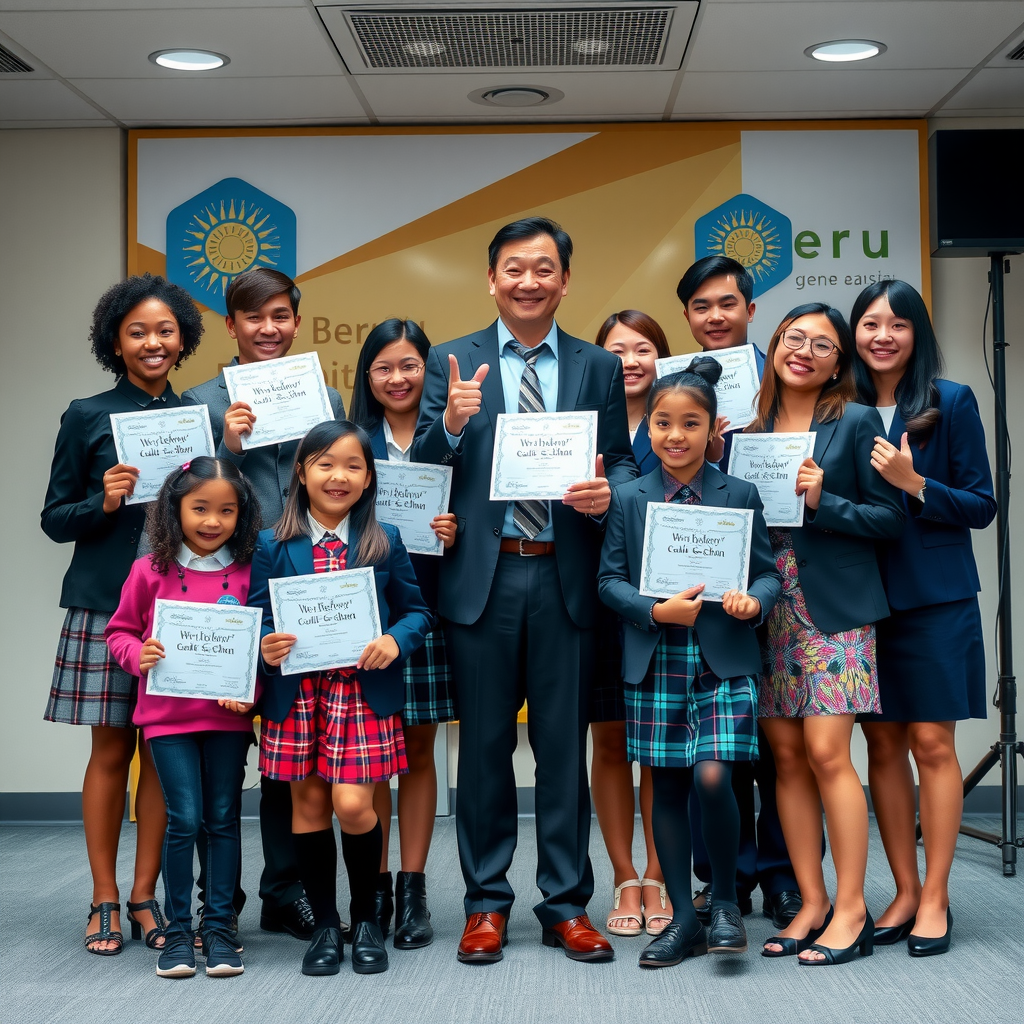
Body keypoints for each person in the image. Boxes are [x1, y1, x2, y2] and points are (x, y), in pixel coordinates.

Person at [413, 217, 637, 964]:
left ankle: (566, 904)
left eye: (544, 268)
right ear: (491, 280)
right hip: (485, 576)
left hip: (565, 573)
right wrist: (449, 424)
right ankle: (485, 903)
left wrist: (612, 495)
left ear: (565, 281)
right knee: (482, 748)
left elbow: (622, 460)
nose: (529, 281)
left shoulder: (597, 366)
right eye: (514, 268)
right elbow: (422, 466)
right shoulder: (452, 360)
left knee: (561, 748)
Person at [182, 267, 346, 945]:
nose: (268, 328)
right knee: (218, 748)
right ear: (231, 325)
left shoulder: (325, 396)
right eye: (254, 317)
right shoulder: (201, 400)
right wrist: (225, 446)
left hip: (301, 589)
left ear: (296, 322)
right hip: (222, 592)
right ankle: (216, 901)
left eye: (280, 315)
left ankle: (287, 891)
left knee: (289, 744)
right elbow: (182, 497)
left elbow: (339, 483)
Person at [598, 360, 781, 968]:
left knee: (712, 777)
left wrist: (755, 601)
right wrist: (655, 611)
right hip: (657, 657)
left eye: (691, 423)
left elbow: (767, 572)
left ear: (712, 429)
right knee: (669, 787)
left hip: (723, 658)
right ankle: (682, 919)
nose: (675, 435)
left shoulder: (740, 493)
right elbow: (609, 582)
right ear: (648, 428)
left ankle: (723, 901)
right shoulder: (629, 498)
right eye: (663, 423)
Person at [41, 273, 203, 955]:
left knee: (163, 755)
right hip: (109, 605)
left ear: (183, 339)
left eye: (165, 330)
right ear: (115, 341)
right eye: (137, 331)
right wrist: (102, 503)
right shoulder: (87, 414)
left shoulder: (199, 415)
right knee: (110, 752)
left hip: (183, 610)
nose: (153, 342)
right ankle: (103, 896)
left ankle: (144, 896)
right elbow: (54, 519)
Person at [249, 421, 431, 976]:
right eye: (325, 464)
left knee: (352, 806)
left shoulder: (385, 540)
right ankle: (327, 926)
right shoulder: (272, 543)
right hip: (298, 694)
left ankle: (367, 918)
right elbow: (256, 616)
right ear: (301, 472)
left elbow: (417, 612)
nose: (339, 476)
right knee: (307, 807)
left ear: (369, 477)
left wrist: (394, 640)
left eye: (353, 465)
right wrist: (266, 644)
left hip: (359, 694)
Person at [752, 303, 904, 965]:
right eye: (795, 338)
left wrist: (823, 500)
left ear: (839, 361)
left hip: (834, 608)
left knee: (827, 752)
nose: (804, 351)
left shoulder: (857, 420)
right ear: (776, 344)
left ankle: (852, 909)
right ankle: (811, 902)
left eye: (822, 344)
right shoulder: (749, 428)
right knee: (786, 757)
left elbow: (889, 518)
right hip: (765, 605)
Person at [850, 280, 996, 957]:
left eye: (898, 324)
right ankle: (904, 891)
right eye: (870, 323)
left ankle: (936, 895)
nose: (883, 336)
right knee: (881, 746)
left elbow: (981, 505)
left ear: (918, 334)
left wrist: (916, 486)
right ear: (854, 333)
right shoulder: (839, 405)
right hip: (861, 598)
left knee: (933, 745)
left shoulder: (951, 400)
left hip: (936, 598)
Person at [675, 255, 801, 930]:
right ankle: (722, 876)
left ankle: (780, 874)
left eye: (727, 303)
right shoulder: (676, 384)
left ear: (751, 310)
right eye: (701, 306)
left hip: (779, 574)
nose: (715, 316)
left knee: (779, 740)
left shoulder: (783, 375)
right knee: (709, 745)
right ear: (687, 316)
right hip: (697, 585)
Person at [105, 457, 262, 978]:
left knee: (222, 819)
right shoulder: (149, 570)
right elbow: (119, 632)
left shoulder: (251, 572)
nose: (212, 521)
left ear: (242, 514)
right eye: (200, 508)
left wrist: (252, 693)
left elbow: (264, 647)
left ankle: (217, 930)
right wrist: (138, 654)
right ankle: (177, 934)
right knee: (185, 819)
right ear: (175, 510)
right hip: (166, 719)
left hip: (228, 721)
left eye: (226, 510)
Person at [349, 318, 458, 949]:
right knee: (371, 756)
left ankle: (413, 891)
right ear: (367, 376)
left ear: (428, 371)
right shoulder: (352, 441)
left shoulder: (452, 435)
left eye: (409, 365)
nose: (397, 378)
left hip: (429, 610)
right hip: (363, 618)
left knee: (418, 752)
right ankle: (377, 888)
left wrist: (455, 529)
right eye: (384, 367)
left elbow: (485, 510)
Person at [591, 311, 673, 935]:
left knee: (664, 748)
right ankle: (625, 874)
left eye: (642, 349)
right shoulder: (581, 426)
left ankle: (660, 872)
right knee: (613, 741)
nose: (629, 362)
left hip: (675, 608)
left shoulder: (683, 419)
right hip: (603, 602)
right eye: (616, 351)